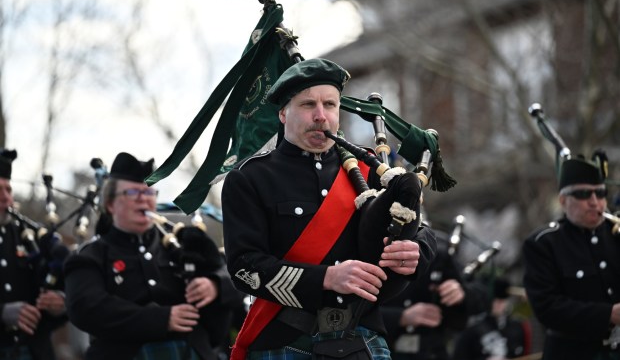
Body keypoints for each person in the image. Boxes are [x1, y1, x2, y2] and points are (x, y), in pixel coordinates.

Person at [221, 58, 437, 360]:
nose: (321, 116)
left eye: (330, 105)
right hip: (286, 338)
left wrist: (416, 251)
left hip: (363, 335)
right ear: (283, 113)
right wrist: (326, 278)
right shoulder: (250, 179)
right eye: (308, 104)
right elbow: (245, 269)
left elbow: (424, 231)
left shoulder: (372, 168)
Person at [63, 152, 238, 360]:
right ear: (110, 205)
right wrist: (161, 319)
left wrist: (215, 285)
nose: (143, 200)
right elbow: (85, 308)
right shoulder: (90, 256)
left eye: (148, 193)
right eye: (132, 193)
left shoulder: (181, 246)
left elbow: (240, 281)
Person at [522, 152, 620, 360]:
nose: (595, 202)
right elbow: (547, 308)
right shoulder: (543, 243)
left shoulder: (616, 234)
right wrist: (608, 314)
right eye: (584, 194)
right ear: (563, 200)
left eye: (600, 193)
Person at [0, 148, 68, 360]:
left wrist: (60, 303)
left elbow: (61, 285)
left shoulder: (28, 236)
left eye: (8, 190)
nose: (5, 198)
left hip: (34, 352)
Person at [380, 229, 488, 360]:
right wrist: (400, 317)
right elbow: (354, 310)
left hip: (431, 352)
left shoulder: (438, 257)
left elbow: (482, 297)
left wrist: (462, 293)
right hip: (381, 351)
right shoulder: (371, 251)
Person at [452, 277, 531, 360]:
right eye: (495, 300)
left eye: (502, 300)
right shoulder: (471, 328)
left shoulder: (517, 327)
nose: (499, 304)